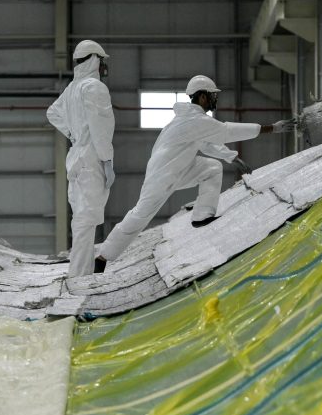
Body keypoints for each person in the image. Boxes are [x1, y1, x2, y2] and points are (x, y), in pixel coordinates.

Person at [94, 75, 293, 271]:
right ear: (203, 97)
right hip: (162, 175)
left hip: (181, 168)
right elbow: (226, 131)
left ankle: (202, 216)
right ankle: (103, 256)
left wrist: (231, 157)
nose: (216, 100)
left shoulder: (192, 119)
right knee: (140, 216)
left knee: (212, 168)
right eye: (213, 95)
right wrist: (272, 128)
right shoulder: (193, 119)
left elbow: (205, 143)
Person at [47, 39, 116, 277]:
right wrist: (107, 160)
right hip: (91, 158)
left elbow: (52, 112)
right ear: (95, 59)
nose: (104, 66)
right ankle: (78, 276)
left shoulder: (72, 89)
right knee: (86, 221)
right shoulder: (94, 88)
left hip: (76, 157)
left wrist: (73, 133)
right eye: (102, 60)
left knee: (81, 219)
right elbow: (100, 128)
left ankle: (81, 271)